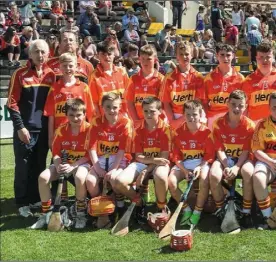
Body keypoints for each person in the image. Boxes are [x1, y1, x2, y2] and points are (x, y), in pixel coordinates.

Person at [6, 39, 55, 217]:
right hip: (25, 130)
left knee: (39, 166)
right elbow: (11, 103)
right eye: (36, 52)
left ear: (48, 54)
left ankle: (35, 200)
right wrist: (20, 128)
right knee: (23, 167)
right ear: (30, 54)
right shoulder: (19, 74)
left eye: (43, 52)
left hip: (43, 130)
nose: (40, 56)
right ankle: (21, 202)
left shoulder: (52, 75)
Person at [114, 96, 171, 223]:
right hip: (144, 162)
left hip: (160, 163)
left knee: (161, 176)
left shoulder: (166, 129)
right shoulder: (137, 129)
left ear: (160, 111)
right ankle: (140, 203)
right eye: (146, 111)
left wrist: (146, 170)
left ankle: (161, 207)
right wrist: (148, 165)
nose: (149, 114)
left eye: (152, 111)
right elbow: (138, 156)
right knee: (119, 181)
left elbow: (164, 158)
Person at [36, 98, 91, 229]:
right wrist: (58, 164)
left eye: (79, 115)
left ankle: (81, 213)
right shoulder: (60, 130)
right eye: (71, 115)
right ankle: (47, 213)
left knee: (80, 177)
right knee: (43, 178)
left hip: (82, 164)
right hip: (64, 163)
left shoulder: (90, 129)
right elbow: (55, 153)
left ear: (84, 114)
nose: (75, 118)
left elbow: (90, 155)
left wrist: (73, 166)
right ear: (66, 115)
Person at [209, 90, 255, 229]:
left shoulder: (250, 125)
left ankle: (246, 212)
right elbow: (219, 150)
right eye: (233, 104)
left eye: (240, 105)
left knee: (248, 172)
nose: (236, 108)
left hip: (242, 159)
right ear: (227, 103)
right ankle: (221, 210)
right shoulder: (218, 123)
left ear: (245, 106)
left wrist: (236, 167)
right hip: (225, 158)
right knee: (214, 175)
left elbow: (246, 151)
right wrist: (227, 165)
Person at [86, 93, 133, 219]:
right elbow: (92, 148)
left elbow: (122, 150)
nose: (111, 110)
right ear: (102, 107)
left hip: (119, 158)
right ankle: (100, 208)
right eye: (107, 107)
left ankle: (120, 207)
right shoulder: (96, 121)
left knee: (114, 178)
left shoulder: (125, 122)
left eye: (114, 107)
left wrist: (113, 169)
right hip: (100, 159)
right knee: (90, 181)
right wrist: (98, 168)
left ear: (120, 107)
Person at [168, 100, 214, 227]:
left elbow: (209, 156)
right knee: (171, 182)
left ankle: (197, 212)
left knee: (204, 179)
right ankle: (186, 209)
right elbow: (175, 156)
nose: (191, 118)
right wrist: (184, 170)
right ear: (183, 115)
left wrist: (200, 167)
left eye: (194, 114)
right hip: (184, 164)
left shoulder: (207, 133)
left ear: (200, 116)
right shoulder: (178, 132)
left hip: (201, 163)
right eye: (188, 114)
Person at [44, 52, 94, 150]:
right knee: (59, 163)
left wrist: (92, 133)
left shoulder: (84, 87)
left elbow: (90, 114)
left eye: (71, 66)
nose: (68, 69)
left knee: (80, 162)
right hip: (61, 135)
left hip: (81, 133)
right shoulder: (54, 88)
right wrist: (50, 138)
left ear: (76, 67)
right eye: (65, 66)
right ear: (60, 67)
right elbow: (51, 115)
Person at [159, 41, 205, 130]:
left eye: (187, 54)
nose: (184, 57)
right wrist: (173, 121)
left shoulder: (198, 77)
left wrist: (185, 118)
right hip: (175, 117)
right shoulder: (169, 78)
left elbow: (198, 102)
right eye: (181, 54)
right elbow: (166, 103)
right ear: (176, 56)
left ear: (192, 55)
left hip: (194, 115)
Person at [202, 43, 244, 130]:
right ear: (217, 55)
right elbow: (204, 103)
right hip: (213, 118)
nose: (225, 58)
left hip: (233, 118)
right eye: (222, 55)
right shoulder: (208, 78)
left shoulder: (240, 78)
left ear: (233, 56)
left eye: (228, 55)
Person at [252, 92, 276, 230]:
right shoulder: (261, 125)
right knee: (258, 177)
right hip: (268, 163)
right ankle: (268, 218)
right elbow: (256, 150)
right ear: (268, 107)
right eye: (274, 107)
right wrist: (271, 161)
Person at [89, 41, 129, 117]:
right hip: (105, 119)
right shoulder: (94, 76)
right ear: (97, 56)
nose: (107, 57)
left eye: (109, 54)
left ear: (114, 55)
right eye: (103, 54)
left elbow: (129, 96)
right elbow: (94, 102)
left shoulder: (122, 72)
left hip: (124, 117)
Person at [126, 44, 164, 124]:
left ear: (155, 60)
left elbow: (163, 105)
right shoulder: (133, 79)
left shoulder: (161, 79)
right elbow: (130, 103)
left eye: (149, 59)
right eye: (143, 58)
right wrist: (136, 121)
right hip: (138, 123)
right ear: (139, 59)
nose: (145, 62)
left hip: (155, 123)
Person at [242, 41, 276, 124]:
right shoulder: (248, 80)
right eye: (261, 57)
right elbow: (244, 107)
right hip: (255, 125)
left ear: (273, 58)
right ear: (256, 58)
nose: (264, 60)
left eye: (268, 57)